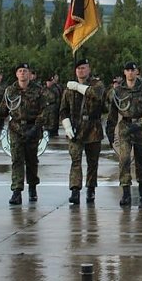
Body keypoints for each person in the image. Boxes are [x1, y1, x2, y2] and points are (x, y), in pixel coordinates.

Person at [0, 63, 47, 205]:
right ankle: (16, 191)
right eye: (20, 71)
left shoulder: (38, 90)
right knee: (17, 160)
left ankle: (32, 187)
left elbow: (44, 111)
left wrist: (36, 128)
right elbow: (2, 112)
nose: (23, 73)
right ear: (16, 74)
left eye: (25, 71)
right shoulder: (10, 91)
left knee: (31, 160)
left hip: (32, 128)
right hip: (16, 129)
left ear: (29, 74)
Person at [60, 58, 105, 205]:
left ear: (89, 69)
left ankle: (91, 189)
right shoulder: (69, 90)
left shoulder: (97, 84)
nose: (81, 71)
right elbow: (63, 110)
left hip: (93, 128)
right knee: (75, 161)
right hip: (76, 129)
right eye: (78, 68)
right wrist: (66, 125)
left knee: (93, 162)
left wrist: (77, 86)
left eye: (84, 68)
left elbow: (95, 94)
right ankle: (75, 190)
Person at [111, 61, 142, 207]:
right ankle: (126, 193)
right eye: (127, 70)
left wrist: (138, 124)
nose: (130, 72)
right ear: (124, 72)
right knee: (124, 160)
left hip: (140, 128)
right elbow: (112, 111)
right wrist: (110, 130)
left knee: (141, 160)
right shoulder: (119, 90)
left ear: (137, 72)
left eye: (133, 70)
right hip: (125, 127)